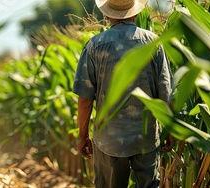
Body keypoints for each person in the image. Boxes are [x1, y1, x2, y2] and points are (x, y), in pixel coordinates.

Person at [73, 0, 174, 187]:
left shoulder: (95, 45)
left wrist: (82, 136)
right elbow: (166, 93)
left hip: (108, 141)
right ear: (135, 13)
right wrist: (169, 130)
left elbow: (85, 98)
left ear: (107, 14)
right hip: (146, 138)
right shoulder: (153, 43)